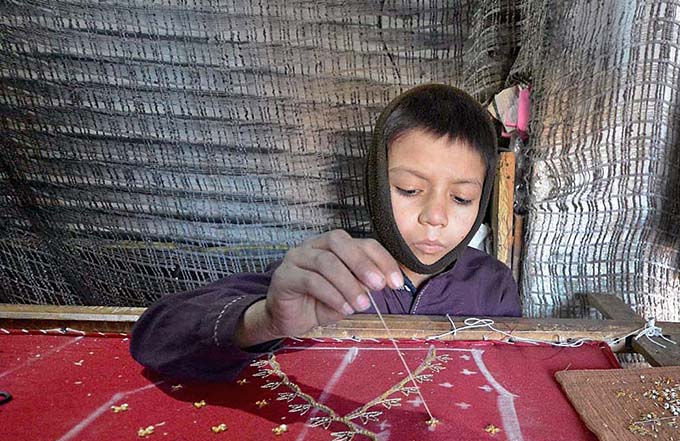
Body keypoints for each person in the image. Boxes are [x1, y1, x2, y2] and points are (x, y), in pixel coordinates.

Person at [130, 84, 522, 382]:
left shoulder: (494, 286)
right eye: (409, 190)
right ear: (375, 185)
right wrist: (265, 320)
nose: (434, 216)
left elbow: (506, 383)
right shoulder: (326, 272)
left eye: (462, 197)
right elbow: (153, 338)